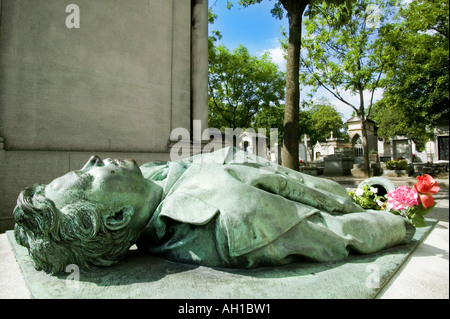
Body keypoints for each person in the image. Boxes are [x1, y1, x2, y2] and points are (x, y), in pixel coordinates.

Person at [14, 147, 414, 274]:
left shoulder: (150, 181)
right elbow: (339, 235)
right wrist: (400, 220)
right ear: (117, 218)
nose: (94, 158)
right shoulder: (230, 219)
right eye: (88, 177)